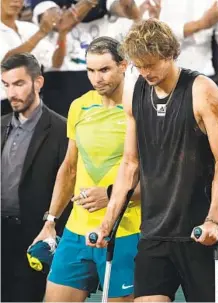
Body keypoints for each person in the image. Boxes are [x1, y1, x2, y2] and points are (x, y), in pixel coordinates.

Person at [87, 19, 218, 302]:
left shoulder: (201, 90)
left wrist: (213, 220)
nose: (145, 72)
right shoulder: (135, 90)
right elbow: (130, 164)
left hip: (199, 233)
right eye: (139, 65)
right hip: (154, 233)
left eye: (152, 64)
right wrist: (107, 224)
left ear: (171, 54)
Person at [32, 37, 141, 302]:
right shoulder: (79, 106)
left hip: (125, 233)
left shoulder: (140, 108)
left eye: (104, 70)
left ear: (123, 65)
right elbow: (69, 168)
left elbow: (156, 176)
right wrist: (50, 221)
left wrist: (112, 195)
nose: (96, 78)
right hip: (75, 232)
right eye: (90, 71)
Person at [1, 53, 70, 302]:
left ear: (38, 82)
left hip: (34, 239)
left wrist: (52, 234)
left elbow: (68, 185)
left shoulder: (63, 130)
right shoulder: (1, 125)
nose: (12, 93)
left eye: (18, 84)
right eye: (6, 85)